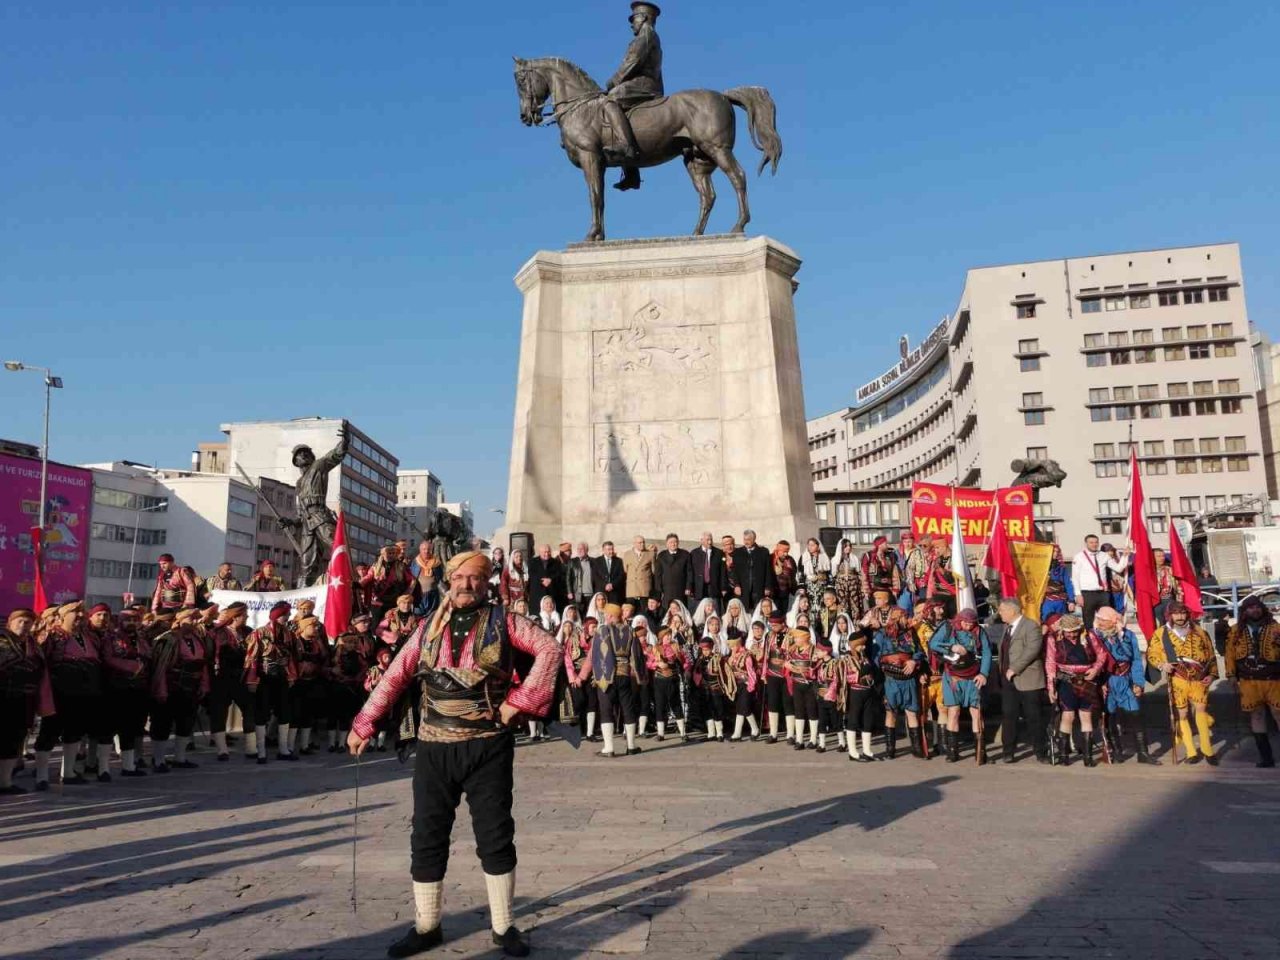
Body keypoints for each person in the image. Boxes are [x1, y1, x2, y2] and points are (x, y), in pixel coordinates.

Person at [348, 550, 559, 959]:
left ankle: (503, 926)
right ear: (449, 580)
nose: (466, 584)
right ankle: (427, 926)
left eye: (475, 578)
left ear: (487, 583)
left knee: (495, 834)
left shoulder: (507, 621)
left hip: (487, 745)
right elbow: (396, 674)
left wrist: (519, 701)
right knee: (427, 834)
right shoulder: (427, 626)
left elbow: (550, 649)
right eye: (460, 577)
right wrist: (364, 723)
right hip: (433, 746)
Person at [34, 601, 109, 788]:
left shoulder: (88, 636)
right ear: (63, 615)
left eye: (82, 614)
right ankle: (41, 776)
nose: (80, 617)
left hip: (84, 692)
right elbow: (39, 662)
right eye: (75, 614)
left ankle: (68, 772)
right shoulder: (52, 636)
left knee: (74, 732)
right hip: (59, 693)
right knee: (49, 732)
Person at [1146, 602, 1219, 765]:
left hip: (1199, 677)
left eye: (1183, 613)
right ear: (1169, 615)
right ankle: (1191, 752)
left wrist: (1213, 674)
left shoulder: (1200, 631)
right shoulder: (1161, 633)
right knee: (1183, 714)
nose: (1180, 617)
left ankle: (1207, 750)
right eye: (1176, 614)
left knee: (1200, 709)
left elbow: (1211, 654)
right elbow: (1152, 654)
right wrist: (1162, 664)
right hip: (1177, 678)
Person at [602, 1, 664, 191]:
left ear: (644, 18)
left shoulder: (646, 35)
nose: (631, 23)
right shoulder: (648, 36)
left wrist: (613, 82)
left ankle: (627, 148)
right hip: (644, 84)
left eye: (634, 19)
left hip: (645, 85)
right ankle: (631, 174)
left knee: (609, 100)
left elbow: (632, 62)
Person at [1092, 606, 1157, 765]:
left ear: (1113, 622)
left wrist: (1138, 683)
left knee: (1135, 714)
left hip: (1125, 680)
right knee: (1109, 716)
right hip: (1107, 681)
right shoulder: (1093, 637)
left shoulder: (1128, 636)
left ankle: (1143, 753)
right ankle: (1115, 750)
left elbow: (1135, 660)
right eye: (1098, 619)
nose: (1099, 623)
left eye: (1104, 620)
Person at [928, 607, 993, 764]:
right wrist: (951, 647)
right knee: (954, 711)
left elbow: (986, 652)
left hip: (973, 677)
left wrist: (983, 674)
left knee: (976, 713)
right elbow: (933, 644)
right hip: (953, 676)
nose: (968, 626)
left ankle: (980, 752)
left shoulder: (979, 632)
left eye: (971, 623)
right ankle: (952, 752)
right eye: (965, 623)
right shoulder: (948, 627)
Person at [150, 608, 211, 772]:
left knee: (186, 723)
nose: (195, 622)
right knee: (162, 724)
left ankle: (180, 758)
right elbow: (160, 668)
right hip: (171, 688)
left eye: (197, 619)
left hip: (191, 689)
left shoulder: (198, 639)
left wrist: (204, 685)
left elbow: (203, 664)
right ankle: (158, 760)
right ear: (181, 619)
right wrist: (160, 690)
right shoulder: (168, 639)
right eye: (191, 618)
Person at [585, 603, 649, 758]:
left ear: (612, 616)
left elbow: (598, 656)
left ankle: (609, 748)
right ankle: (631, 746)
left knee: (606, 709)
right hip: (625, 675)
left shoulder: (603, 630)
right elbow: (637, 655)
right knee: (628, 708)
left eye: (608, 615)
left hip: (607, 677)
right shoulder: (631, 631)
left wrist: (599, 675)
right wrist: (641, 676)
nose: (606, 617)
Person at [0, 609, 53, 794]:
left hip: (25, 700)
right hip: (3, 698)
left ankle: (5, 782)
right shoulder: (1, 642)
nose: (24, 625)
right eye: (20, 621)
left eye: (28, 622)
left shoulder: (34, 645)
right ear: (10, 623)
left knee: (15, 739)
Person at [1224, 595, 1280, 768]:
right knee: (1256, 716)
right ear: (1245, 611)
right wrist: (1231, 675)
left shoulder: (1275, 627)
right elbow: (1229, 654)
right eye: (1250, 607)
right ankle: (1266, 758)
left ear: (1262, 608)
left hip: (1273, 678)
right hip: (1248, 679)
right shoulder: (1235, 630)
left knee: (1278, 714)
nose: (1254, 610)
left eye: (1257, 607)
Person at [1045, 614, 1106, 767]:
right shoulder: (1054, 639)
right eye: (1068, 632)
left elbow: (1101, 654)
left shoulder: (1089, 636)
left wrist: (1095, 670)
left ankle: (1088, 757)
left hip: (1087, 679)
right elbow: (1050, 664)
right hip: (1066, 680)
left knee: (1086, 715)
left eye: (1074, 631)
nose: (1072, 635)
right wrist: (1051, 687)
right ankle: (1064, 755)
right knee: (1068, 716)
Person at [244, 601, 299, 764]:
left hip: (281, 677)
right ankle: (261, 752)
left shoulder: (288, 634)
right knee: (261, 713)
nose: (287, 617)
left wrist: (291, 677)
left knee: (284, 711)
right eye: (284, 614)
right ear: (276, 615)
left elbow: (291, 658)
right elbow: (252, 657)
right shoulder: (259, 633)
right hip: (264, 677)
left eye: (288, 614)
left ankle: (283, 749)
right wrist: (252, 680)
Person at [995, 599, 1049, 765]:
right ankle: (1008, 751)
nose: (1000, 613)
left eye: (1002, 610)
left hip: (1028, 679)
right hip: (1008, 681)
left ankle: (1041, 751)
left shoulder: (1030, 626)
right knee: (1008, 715)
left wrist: (1015, 668)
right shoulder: (1007, 628)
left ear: (1013, 610)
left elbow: (1032, 650)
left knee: (1034, 716)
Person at [102, 606, 153, 776]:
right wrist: (130, 666)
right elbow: (107, 658)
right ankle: (103, 768)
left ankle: (128, 766)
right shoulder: (111, 637)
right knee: (108, 728)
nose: (131, 623)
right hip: (116, 688)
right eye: (127, 619)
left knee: (131, 728)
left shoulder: (142, 638)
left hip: (138, 689)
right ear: (120, 620)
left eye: (135, 619)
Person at [876, 606, 927, 759]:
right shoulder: (882, 634)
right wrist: (888, 663)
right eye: (905, 616)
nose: (908, 619)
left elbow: (919, 652)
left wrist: (913, 661)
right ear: (898, 618)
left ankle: (916, 747)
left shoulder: (911, 634)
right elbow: (877, 655)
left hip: (908, 679)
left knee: (911, 712)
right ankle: (890, 748)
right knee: (890, 712)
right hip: (891, 679)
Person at [206, 602, 255, 762]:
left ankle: (251, 747)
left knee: (249, 709)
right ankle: (222, 750)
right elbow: (209, 656)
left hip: (242, 678)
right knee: (219, 712)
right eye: (244, 614)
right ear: (235, 616)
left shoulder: (248, 632)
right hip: (221, 679)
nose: (247, 617)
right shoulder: (217, 632)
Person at [329, 613, 374, 753]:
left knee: (348, 715)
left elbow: (364, 668)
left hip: (352, 687)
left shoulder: (358, 655)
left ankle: (343, 743)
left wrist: (356, 678)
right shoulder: (333, 655)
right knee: (332, 715)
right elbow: (324, 668)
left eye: (352, 642)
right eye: (347, 642)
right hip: (335, 687)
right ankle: (331, 743)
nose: (350, 644)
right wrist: (332, 671)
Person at [290, 614, 330, 755]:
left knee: (309, 714)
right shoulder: (295, 642)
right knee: (295, 714)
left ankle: (304, 746)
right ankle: (289, 747)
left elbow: (324, 657)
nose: (316, 628)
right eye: (313, 626)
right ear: (304, 628)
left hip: (313, 681)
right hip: (297, 682)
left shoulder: (316, 643)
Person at [1071, 535, 1128, 630]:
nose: (1094, 544)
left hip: (1103, 593)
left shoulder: (1103, 555)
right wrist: (1078, 594)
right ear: (1086, 543)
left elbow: (1118, 568)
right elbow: (1075, 578)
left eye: (1096, 542)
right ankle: (1091, 640)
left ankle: (1105, 641)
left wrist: (1125, 556)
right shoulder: (1079, 557)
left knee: (1106, 619)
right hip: (1087, 593)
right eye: (1091, 542)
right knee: (1089, 620)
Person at [838, 631, 878, 762]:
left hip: (868, 691)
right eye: (861, 645)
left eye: (864, 645)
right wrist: (862, 673)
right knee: (853, 720)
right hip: (856, 692)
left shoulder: (864, 657)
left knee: (868, 720)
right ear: (854, 645)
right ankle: (853, 752)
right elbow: (846, 677)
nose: (863, 647)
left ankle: (867, 750)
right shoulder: (847, 658)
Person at [646, 626, 689, 741]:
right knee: (660, 705)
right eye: (666, 635)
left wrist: (683, 668)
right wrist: (657, 664)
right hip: (659, 680)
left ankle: (683, 733)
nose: (669, 637)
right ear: (661, 637)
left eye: (670, 634)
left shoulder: (676, 647)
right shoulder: (655, 648)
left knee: (676, 704)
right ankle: (660, 733)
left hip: (673, 679)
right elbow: (648, 663)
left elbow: (685, 661)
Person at [785, 627, 819, 751]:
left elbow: (816, 669)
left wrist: (808, 671)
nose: (795, 639)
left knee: (811, 710)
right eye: (795, 637)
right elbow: (786, 663)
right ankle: (799, 739)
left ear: (805, 637)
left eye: (798, 637)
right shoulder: (793, 650)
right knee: (798, 710)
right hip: (797, 684)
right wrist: (790, 666)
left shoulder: (814, 650)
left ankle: (813, 739)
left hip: (809, 685)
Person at [725, 632, 760, 742]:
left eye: (733, 645)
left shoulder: (747, 655)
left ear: (739, 643)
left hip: (746, 684)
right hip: (736, 685)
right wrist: (732, 654)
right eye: (730, 646)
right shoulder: (732, 656)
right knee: (740, 708)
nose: (732, 648)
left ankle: (754, 729)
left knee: (745, 707)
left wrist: (751, 686)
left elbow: (751, 672)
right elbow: (729, 667)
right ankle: (738, 733)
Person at [734, 530, 776, 612]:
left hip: (758, 588)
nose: (746, 542)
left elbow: (768, 570)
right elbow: (735, 571)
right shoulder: (738, 552)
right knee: (745, 611)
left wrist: (767, 587)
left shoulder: (763, 552)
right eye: (745, 539)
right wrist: (736, 585)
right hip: (743, 588)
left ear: (754, 539)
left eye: (748, 539)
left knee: (759, 610)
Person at [655, 533, 694, 610]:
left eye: (675, 542)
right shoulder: (661, 556)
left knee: (681, 609)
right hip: (667, 590)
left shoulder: (685, 554)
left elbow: (689, 572)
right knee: (667, 609)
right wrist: (659, 591)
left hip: (681, 589)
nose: (673, 544)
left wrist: (688, 587)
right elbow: (658, 575)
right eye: (671, 542)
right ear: (667, 544)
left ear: (678, 542)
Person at [860, 537, 902, 606]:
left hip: (888, 590)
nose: (887, 545)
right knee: (875, 612)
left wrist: (895, 589)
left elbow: (895, 574)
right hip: (874, 590)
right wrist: (866, 591)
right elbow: (864, 574)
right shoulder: (869, 556)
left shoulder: (890, 556)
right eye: (885, 543)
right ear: (880, 545)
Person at [832, 539, 865, 622]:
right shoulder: (836, 560)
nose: (848, 548)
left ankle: (856, 626)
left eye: (850, 546)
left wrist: (862, 588)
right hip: (841, 586)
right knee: (843, 606)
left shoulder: (854, 559)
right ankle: (844, 625)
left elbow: (859, 573)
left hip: (853, 586)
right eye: (846, 546)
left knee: (855, 606)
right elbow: (833, 574)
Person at [1040, 545, 1075, 621]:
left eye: (1057, 551)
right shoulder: (1041, 566)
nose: (1055, 554)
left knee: (1062, 623)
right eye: (1053, 551)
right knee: (1048, 622)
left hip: (1061, 601)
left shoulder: (1062, 567)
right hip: (1047, 601)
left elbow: (1068, 584)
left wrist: (1071, 601)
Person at [690, 532, 724, 607]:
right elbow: (690, 572)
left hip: (714, 587)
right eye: (707, 540)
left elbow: (722, 572)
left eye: (711, 540)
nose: (710, 542)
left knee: (714, 610)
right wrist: (690, 587)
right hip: (699, 588)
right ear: (701, 541)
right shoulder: (694, 553)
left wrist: (723, 587)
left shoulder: (719, 553)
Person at [623, 536, 657, 611]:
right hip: (632, 589)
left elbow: (654, 571)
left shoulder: (650, 554)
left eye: (643, 542)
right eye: (640, 543)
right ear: (634, 544)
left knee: (644, 611)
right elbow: (625, 570)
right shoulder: (627, 554)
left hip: (644, 589)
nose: (642, 544)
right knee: (630, 611)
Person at [410, 541, 443, 617]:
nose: (426, 551)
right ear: (420, 550)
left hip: (433, 595)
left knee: (432, 617)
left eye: (428, 549)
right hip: (418, 595)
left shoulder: (437, 562)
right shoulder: (415, 562)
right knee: (418, 616)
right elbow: (411, 578)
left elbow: (440, 579)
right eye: (424, 549)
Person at [528, 544, 563, 613]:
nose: (547, 554)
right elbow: (532, 575)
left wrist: (551, 580)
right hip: (537, 594)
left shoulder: (556, 562)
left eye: (548, 552)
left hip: (551, 593)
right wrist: (542, 581)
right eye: (544, 552)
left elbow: (559, 575)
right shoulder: (532, 562)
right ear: (540, 552)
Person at [1151, 548, 1182, 626]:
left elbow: (1178, 585)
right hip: (1156, 602)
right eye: (1159, 556)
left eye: (1163, 556)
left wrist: (1180, 599)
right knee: (1159, 624)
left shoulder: (1170, 569)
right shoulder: (1150, 571)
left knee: (1171, 623)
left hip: (1169, 599)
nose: (1162, 558)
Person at [799, 538, 831, 612]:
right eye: (809, 545)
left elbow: (829, 572)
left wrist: (829, 585)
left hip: (822, 586)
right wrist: (802, 586)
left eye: (812, 545)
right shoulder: (804, 557)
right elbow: (800, 572)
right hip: (809, 587)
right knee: (810, 606)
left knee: (822, 605)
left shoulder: (824, 557)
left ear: (818, 546)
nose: (810, 547)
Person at [591, 541, 625, 607]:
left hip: (614, 593)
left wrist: (612, 585)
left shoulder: (618, 561)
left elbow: (621, 575)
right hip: (601, 592)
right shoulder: (596, 561)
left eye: (612, 549)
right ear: (603, 550)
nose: (611, 551)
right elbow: (595, 576)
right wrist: (605, 585)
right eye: (609, 549)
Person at [566, 542, 596, 611]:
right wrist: (569, 591)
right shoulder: (572, 562)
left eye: (582, 549)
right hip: (577, 593)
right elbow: (568, 578)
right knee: (578, 614)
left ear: (587, 550)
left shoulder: (593, 561)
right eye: (578, 549)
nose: (579, 551)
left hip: (590, 594)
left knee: (589, 614)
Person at [771, 540, 798, 615]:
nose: (785, 554)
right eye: (783, 551)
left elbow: (794, 572)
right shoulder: (770, 559)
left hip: (786, 592)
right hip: (774, 592)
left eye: (787, 551)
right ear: (778, 550)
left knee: (785, 613)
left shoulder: (790, 559)